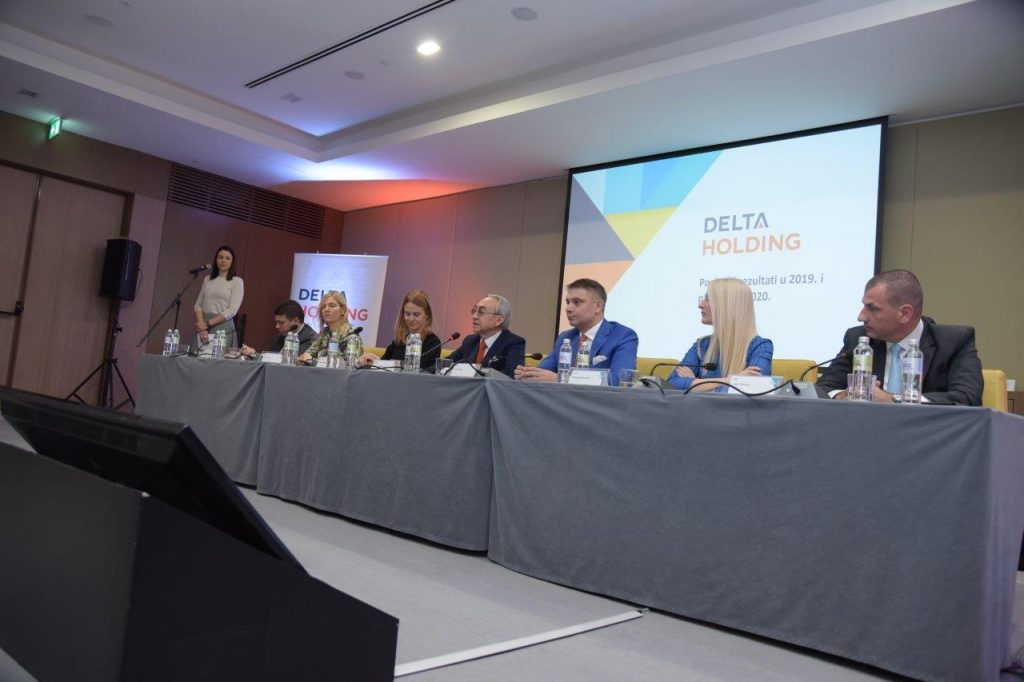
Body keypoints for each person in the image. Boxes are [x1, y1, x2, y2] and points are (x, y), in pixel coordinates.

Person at [816, 269, 983, 405]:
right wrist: (841, 395)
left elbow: (966, 397)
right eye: (864, 307)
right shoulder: (858, 338)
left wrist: (893, 400)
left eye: (872, 309)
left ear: (905, 313)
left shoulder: (954, 342)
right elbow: (823, 387)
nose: (861, 317)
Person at [515, 278, 637, 386]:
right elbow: (544, 372)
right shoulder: (565, 337)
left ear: (598, 306)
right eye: (568, 302)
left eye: (577, 302)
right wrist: (529, 374)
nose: (568, 308)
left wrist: (561, 379)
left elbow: (619, 380)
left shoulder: (622, 336)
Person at [667, 278, 774, 392]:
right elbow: (671, 384)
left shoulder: (761, 347)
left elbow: (750, 389)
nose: (700, 305)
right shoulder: (702, 344)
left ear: (728, 305)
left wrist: (696, 384)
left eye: (709, 299)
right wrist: (729, 380)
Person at [445, 294, 525, 378]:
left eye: (481, 312)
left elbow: (511, 376)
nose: (474, 316)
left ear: (499, 320)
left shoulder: (513, 343)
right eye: (474, 311)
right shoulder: (470, 341)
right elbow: (445, 364)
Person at [360, 290, 442, 371]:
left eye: (416, 315)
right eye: (407, 314)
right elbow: (383, 366)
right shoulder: (399, 340)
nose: (411, 319)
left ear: (427, 315)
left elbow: (425, 372)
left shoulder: (433, 343)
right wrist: (374, 362)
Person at [193, 245, 244, 347]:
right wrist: (202, 326)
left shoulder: (237, 281)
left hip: (223, 325)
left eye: (227, 258)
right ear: (216, 260)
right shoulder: (208, 279)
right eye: (220, 257)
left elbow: (232, 310)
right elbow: (198, 305)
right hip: (203, 326)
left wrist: (208, 323)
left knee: (218, 355)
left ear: (232, 262)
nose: (223, 261)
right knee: (198, 354)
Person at [297, 290, 363, 364]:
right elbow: (305, 357)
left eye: (332, 306)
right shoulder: (324, 333)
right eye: (323, 307)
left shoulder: (352, 336)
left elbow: (351, 365)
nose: (326, 309)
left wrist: (313, 361)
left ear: (343, 310)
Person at [239, 300, 316, 357]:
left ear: (296, 321)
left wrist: (256, 355)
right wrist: (253, 355)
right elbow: (272, 358)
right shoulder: (283, 335)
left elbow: (294, 361)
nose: (277, 326)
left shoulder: (311, 338)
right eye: (277, 322)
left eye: (281, 322)